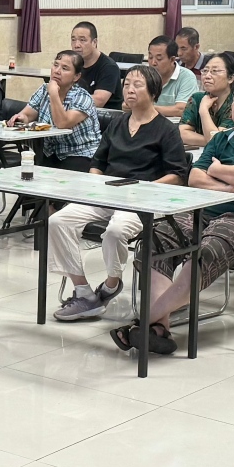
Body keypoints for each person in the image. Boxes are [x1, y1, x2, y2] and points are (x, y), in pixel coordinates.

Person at [115, 76, 234, 356]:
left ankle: (144, 321)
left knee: (205, 251)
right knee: (156, 238)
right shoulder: (221, 138)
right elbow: (195, 178)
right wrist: (229, 187)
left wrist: (218, 170)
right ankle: (159, 328)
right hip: (207, 211)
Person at [50, 63, 191, 323]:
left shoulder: (166, 129)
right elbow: (98, 162)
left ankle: (111, 285)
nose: (129, 90)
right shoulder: (117, 123)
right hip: (108, 194)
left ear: (153, 91)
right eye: (126, 85)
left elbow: (178, 175)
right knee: (58, 221)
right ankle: (83, 292)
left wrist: (145, 189)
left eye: (138, 85)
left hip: (144, 200)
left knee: (116, 231)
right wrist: (96, 185)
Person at [9, 48, 100, 170]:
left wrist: (53, 93)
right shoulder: (43, 90)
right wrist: (21, 118)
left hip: (80, 153)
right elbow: (28, 114)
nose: (57, 71)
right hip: (51, 152)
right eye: (56, 65)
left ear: (76, 76)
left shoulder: (83, 98)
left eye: (65, 68)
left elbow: (62, 123)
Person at [180, 51, 234, 150]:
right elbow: (182, 133)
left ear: (230, 78)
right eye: (205, 71)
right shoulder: (197, 98)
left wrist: (203, 111)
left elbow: (219, 142)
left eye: (214, 71)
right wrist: (210, 141)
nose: (207, 76)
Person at [67, 20, 126, 106]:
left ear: (94, 42)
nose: (76, 45)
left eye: (82, 40)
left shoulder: (109, 67)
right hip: (75, 110)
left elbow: (99, 101)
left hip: (104, 113)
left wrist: (66, 99)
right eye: (73, 40)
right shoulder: (74, 63)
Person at [146, 34, 198, 112]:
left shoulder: (187, 77)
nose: (153, 63)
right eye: (150, 57)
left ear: (172, 59)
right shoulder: (143, 75)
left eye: (159, 58)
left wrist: (146, 109)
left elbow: (182, 109)